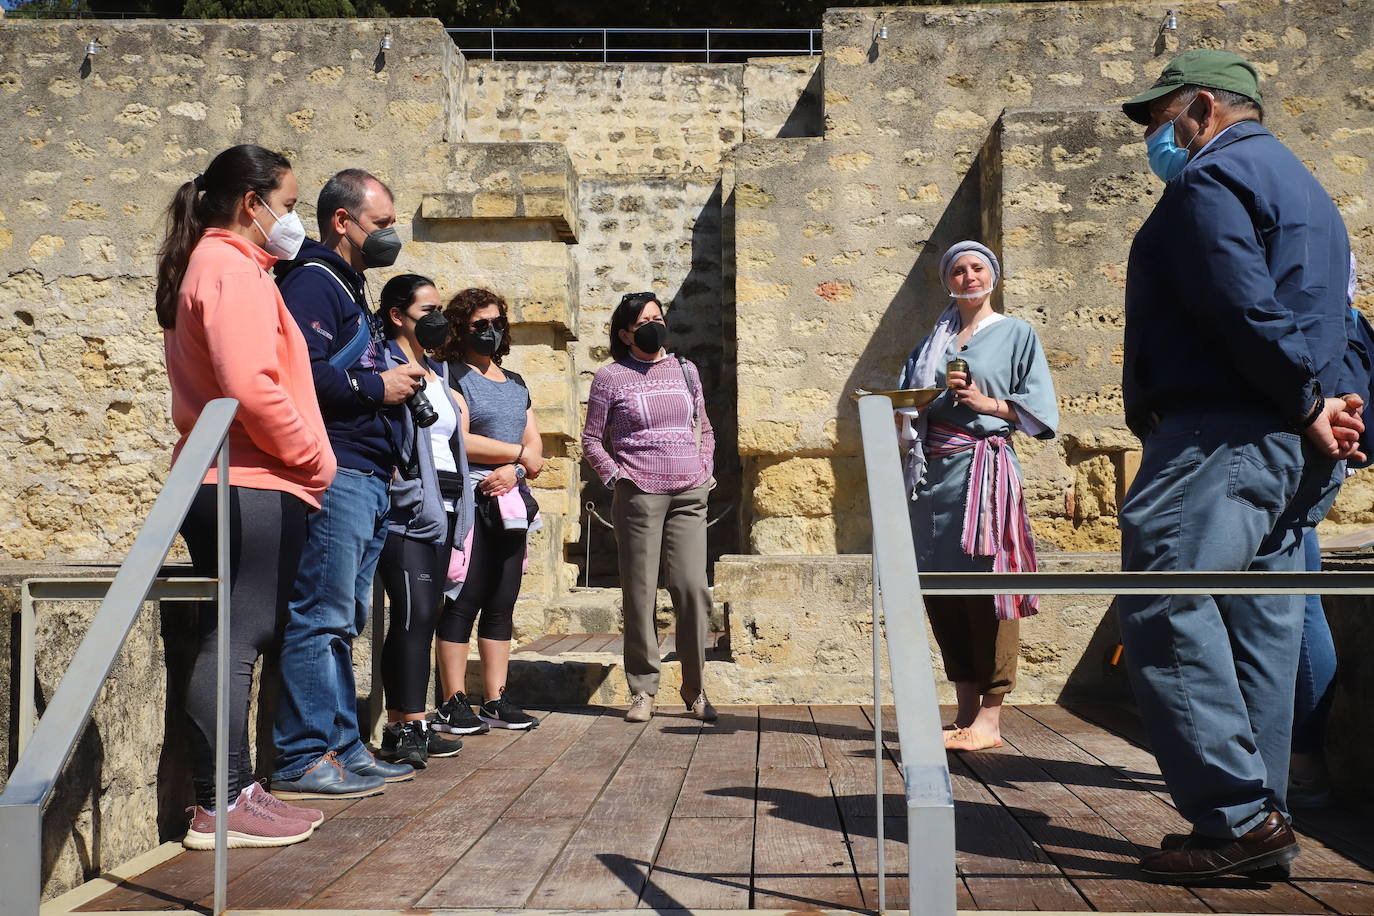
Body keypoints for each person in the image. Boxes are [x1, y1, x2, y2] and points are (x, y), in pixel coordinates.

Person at [1115, 50, 1363, 884]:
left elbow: (1235, 299)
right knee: (1264, 621)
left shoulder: (1207, 182)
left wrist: (1300, 398)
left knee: (1165, 599)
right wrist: (1332, 406)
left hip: (1224, 432)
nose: (1155, 136)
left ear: (1204, 107)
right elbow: (1347, 320)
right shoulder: (1311, 193)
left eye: (1160, 119)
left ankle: (1238, 816)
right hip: (1297, 440)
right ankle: (1262, 816)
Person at [157, 144, 336, 848]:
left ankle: (234, 792)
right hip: (247, 477)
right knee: (236, 636)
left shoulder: (228, 264)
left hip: (247, 476)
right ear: (249, 204)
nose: (291, 221)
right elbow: (249, 383)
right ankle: (217, 804)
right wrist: (312, 456)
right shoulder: (229, 266)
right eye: (287, 206)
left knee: (243, 634)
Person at [270, 170, 424, 799]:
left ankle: (344, 747)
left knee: (343, 618)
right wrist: (373, 387)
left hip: (364, 471)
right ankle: (304, 755)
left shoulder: (347, 286)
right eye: (382, 223)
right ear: (343, 221)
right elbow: (299, 371)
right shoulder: (313, 282)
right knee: (321, 616)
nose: (390, 235)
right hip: (337, 469)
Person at [896, 242, 1058, 751]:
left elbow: (1040, 411)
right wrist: (906, 409)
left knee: (992, 586)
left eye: (977, 268)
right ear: (948, 280)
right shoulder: (932, 344)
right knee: (944, 590)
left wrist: (988, 403)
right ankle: (964, 711)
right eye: (959, 270)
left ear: (993, 276)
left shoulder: (1015, 333)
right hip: (934, 479)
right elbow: (907, 401)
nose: (969, 277)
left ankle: (990, 716)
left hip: (985, 473)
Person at [581, 292, 718, 723]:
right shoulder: (610, 377)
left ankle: (695, 689)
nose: (653, 326)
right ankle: (643, 689)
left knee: (692, 588)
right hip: (638, 494)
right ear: (625, 332)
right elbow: (590, 439)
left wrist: (704, 469)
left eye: (657, 318)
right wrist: (616, 476)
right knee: (639, 592)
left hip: (690, 493)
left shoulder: (686, 369)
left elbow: (704, 426)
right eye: (643, 321)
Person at [427, 288, 544, 731]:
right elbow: (462, 437)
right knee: (463, 597)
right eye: (480, 324)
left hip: (510, 502)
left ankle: (495, 699)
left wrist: (516, 466)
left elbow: (535, 444)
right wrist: (517, 456)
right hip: (470, 500)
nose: (490, 331)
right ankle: (452, 700)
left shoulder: (515, 382)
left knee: (502, 601)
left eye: (496, 323)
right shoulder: (450, 376)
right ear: (460, 328)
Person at [374, 274, 475, 768]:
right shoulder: (386, 363)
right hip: (409, 512)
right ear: (398, 316)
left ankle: (415, 718)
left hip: (446, 509)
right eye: (426, 311)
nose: (437, 320)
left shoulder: (439, 372)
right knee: (412, 616)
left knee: (427, 614)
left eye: (441, 309)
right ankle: (402, 727)